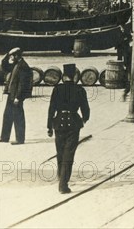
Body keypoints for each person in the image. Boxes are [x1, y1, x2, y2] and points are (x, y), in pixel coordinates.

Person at [47, 64, 90, 194]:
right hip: (73, 124)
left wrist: (49, 126)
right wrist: (84, 119)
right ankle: (63, 184)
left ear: (63, 76)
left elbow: (51, 109)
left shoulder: (57, 89)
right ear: (74, 77)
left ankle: (61, 177)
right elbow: (85, 109)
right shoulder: (80, 90)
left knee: (60, 153)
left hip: (59, 123)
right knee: (68, 154)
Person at [0, 48, 33, 144]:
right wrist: (7, 56)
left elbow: (22, 84)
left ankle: (20, 139)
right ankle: (5, 137)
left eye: (12, 56)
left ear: (17, 56)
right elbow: (5, 67)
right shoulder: (16, 64)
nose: (11, 58)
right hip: (11, 94)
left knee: (18, 117)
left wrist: (18, 97)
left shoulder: (23, 66)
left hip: (16, 96)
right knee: (7, 116)